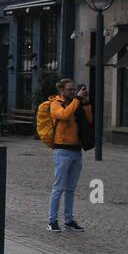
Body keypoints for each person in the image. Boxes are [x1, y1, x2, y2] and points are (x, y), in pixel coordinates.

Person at [43, 78, 93, 233]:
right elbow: (64, 115)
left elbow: (89, 120)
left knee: (71, 188)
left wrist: (85, 103)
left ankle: (69, 220)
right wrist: (78, 99)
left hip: (76, 150)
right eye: (70, 89)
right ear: (62, 90)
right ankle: (52, 221)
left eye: (74, 89)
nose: (72, 91)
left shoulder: (76, 104)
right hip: (62, 150)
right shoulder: (55, 104)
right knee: (58, 187)